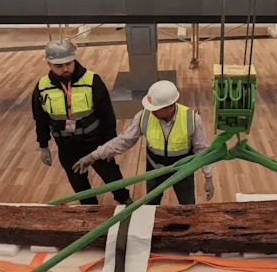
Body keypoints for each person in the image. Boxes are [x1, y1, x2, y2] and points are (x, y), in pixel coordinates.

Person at [73, 80, 214, 205]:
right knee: (151, 206)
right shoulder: (144, 116)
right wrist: (94, 155)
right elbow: (123, 141)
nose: (151, 111)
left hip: (183, 173)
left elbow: (201, 150)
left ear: (170, 106)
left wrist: (208, 177)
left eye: (155, 108)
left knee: (187, 207)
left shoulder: (192, 119)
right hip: (154, 172)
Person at [32, 40, 131, 205]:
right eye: (59, 65)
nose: (65, 69)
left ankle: (124, 199)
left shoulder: (92, 81)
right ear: (49, 64)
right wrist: (44, 146)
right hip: (67, 146)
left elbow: (107, 116)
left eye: (68, 64)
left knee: (111, 176)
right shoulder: (42, 88)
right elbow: (40, 119)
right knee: (78, 183)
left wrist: (110, 144)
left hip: (96, 142)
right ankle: (89, 209)